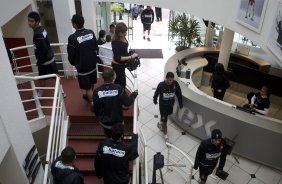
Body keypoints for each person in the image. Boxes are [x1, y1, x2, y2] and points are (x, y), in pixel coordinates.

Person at [92, 67, 138, 137]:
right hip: (118, 122)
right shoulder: (119, 88)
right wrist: (133, 95)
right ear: (113, 77)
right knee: (118, 137)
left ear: (102, 77)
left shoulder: (97, 92)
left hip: (105, 123)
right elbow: (127, 102)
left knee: (108, 135)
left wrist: (100, 116)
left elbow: (95, 109)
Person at [67, 14, 99, 103]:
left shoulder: (72, 38)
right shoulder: (91, 32)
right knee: (91, 83)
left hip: (82, 66)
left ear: (74, 24)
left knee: (88, 87)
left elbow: (71, 54)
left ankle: (94, 105)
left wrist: (75, 64)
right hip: (93, 64)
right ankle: (89, 96)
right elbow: (96, 47)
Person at [27, 11, 59, 97]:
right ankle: (62, 92)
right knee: (55, 76)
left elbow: (43, 49)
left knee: (41, 77)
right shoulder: (42, 29)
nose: (29, 23)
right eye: (29, 21)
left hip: (45, 60)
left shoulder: (38, 34)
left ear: (37, 22)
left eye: (32, 21)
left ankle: (39, 95)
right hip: (50, 57)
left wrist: (39, 61)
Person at [153, 72, 183, 142]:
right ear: (166, 78)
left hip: (170, 105)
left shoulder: (175, 84)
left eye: (172, 80)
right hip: (163, 105)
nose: (171, 81)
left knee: (166, 116)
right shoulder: (161, 85)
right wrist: (155, 100)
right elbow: (156, 93)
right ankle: (166, 136)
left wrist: (180, 103)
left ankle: (160, 123)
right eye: (169, 80)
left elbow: (179, 94)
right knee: (165, 121)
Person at [111, 22, 138, 89]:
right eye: (124, 32)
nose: (126, 33)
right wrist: (131, 56)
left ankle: (116, 94)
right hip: (118, 65)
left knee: (118, 81)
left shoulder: (122, 37)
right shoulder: (115, 43)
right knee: (122, 84)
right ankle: (119, 96)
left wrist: (130, 54)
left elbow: (123, 50)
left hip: (122, 64)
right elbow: (118, 58)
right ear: (119, 33)